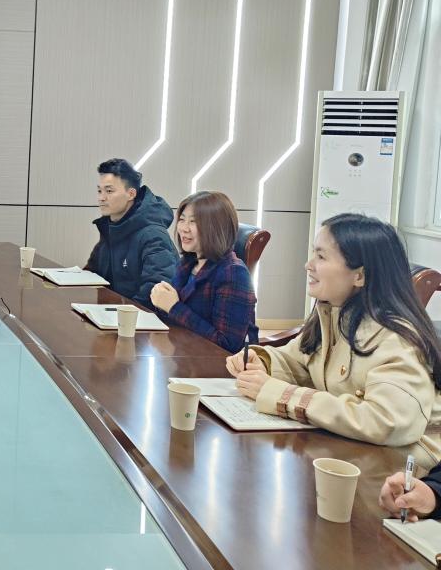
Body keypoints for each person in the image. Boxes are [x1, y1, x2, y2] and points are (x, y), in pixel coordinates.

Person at [227, 213, 441, 466]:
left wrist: (281, 395)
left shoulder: (396, 337)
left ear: (359, 275)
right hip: (352, 448)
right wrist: (262, 361)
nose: (308, 265)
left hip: (402, 468)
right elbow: (299, 360)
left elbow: (386, 421)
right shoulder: (333, 313)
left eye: (321, 256)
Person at [150, 191, 256, 352]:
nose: (184, 228)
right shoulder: (188, 262)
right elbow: (174, 316)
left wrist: (173, 307)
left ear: (216, 228)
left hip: (216, 363)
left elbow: (227, 345)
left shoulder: (234, 273)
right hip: (184, 354)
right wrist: (160, 301)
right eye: (182, 219)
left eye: (193, 222)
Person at [84, 158, 177, 306]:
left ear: (131, 194)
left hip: (139, 317)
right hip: (111, 312)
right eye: (99, 191)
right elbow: (91, 274)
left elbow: (157, 290)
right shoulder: (111, 228)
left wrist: (123, 315)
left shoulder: (153, 235)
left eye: (109, 191)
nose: (101, 198)